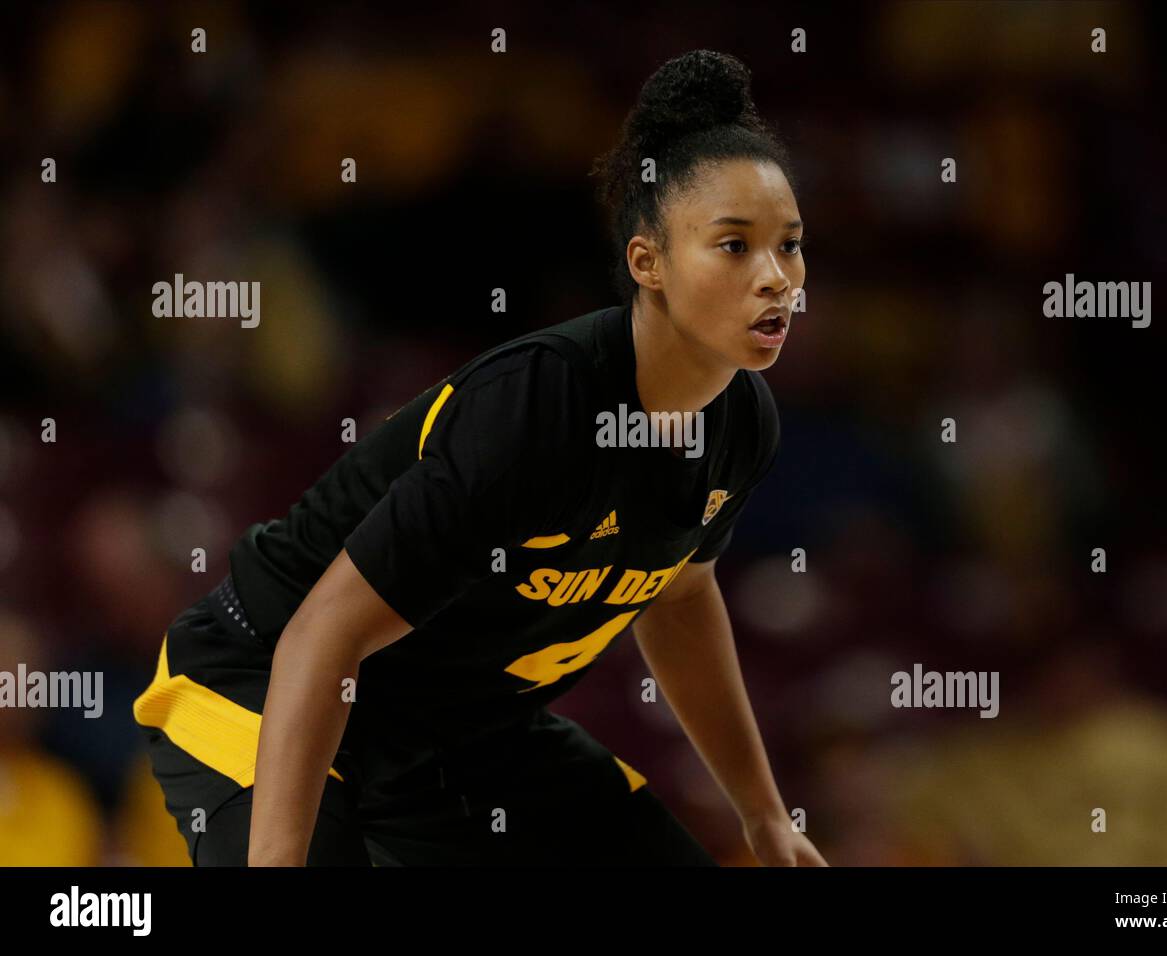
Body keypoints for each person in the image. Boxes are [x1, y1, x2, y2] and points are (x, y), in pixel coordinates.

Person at [133, 48, 826, 867]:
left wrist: (764, 816)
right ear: (648, 263)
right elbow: (320, 640)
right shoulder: (537, 413)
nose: (778, 277)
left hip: (461, 731)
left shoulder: (743, 424)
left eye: (789, 245)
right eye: (735, 246)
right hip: (263, 686)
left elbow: (678, 596)